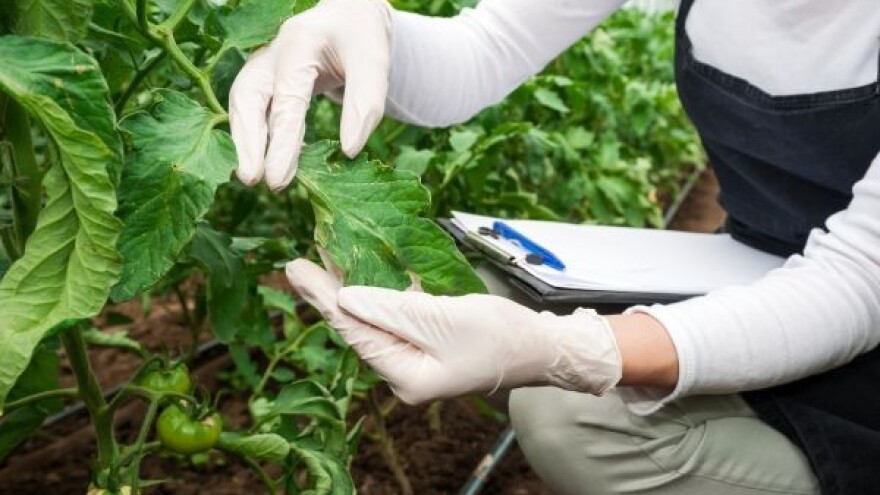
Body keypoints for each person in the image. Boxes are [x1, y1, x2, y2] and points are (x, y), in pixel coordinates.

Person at [228, 0, 880, 493]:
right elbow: (487, 47)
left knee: (564, 412)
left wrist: (570, 349)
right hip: (754, 269)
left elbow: (856, 284)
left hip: (859, 331)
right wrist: (367, 36)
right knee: (460, 291)